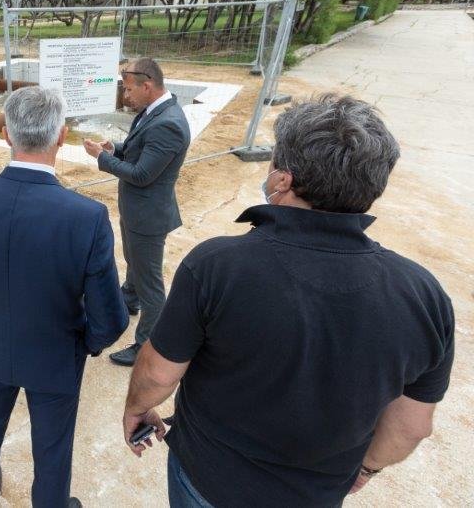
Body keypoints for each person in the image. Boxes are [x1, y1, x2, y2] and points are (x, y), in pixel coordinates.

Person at [122, 95, 454, 507]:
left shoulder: (216, 265)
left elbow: (158, 375)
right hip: (316, 493)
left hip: (210, 479)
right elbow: (412, 426)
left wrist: (136, 408)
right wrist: (366, 469)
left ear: (282, 180)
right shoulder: (425, 296)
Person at [0, 87, 129, 508]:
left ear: (7, 135)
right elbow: (110, 318)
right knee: (52, 450)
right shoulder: (87, 216)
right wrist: (83, 344)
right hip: (55, 353)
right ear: (61, 136)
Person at [83, 57, 189, 367]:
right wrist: (116, 148)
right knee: (134, 261)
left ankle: (146, 345)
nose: (126, 96)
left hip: (148, 217)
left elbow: (142, 174)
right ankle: (130, 297)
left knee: (151, 285)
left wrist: (102, 158)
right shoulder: (154, 111)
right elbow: (141, 147)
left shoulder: (169, 124)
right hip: (137, 211)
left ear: (148, 85)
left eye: (129, 90)